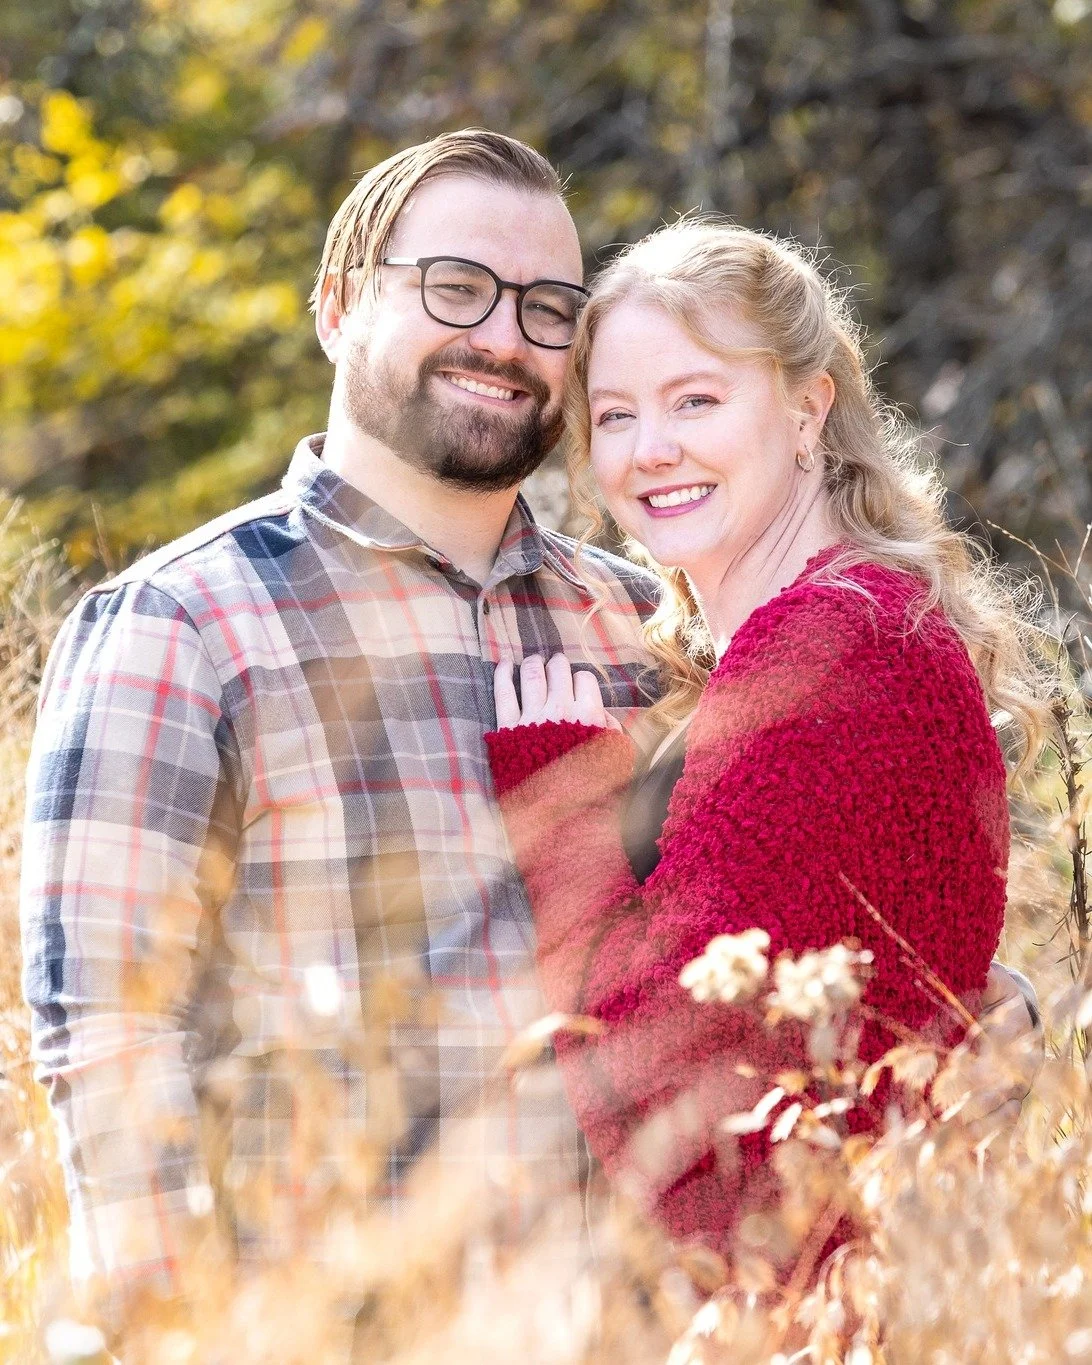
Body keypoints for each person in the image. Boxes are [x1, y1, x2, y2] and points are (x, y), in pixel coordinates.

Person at [20, 133, 1037, 1303]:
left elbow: (780, 923)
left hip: (646, 1322)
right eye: (454, 287)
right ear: (340, 306)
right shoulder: (184, 623)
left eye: (550, 308)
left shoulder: (646, 624)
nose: (504, 338)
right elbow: (105, 1042)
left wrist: (981, 1020)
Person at [485, 219, 1051, 1267]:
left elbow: (658, 1069)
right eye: (615, 415)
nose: (651, 449)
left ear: (806, 409)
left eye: (696, 399)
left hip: (797, 1298)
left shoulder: (832, 646)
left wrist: (558, 792)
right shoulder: (839, 626)